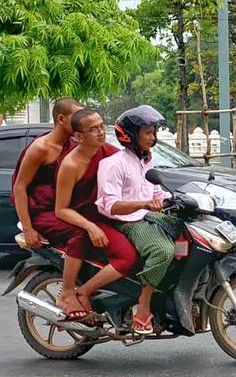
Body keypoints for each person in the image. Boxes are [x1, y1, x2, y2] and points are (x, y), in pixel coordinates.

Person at [95, 105, 183, 335]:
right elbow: (111, 205)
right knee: (163, 251)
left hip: (147, 216)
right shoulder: (114, 164)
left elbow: (156, 194)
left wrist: (178, 198)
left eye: (154, 132)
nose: (153, 138)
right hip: (127, 222)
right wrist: (143, 204)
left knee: (187, 236)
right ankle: (143, 306)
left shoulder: (145, 161)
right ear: (132, 136)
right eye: (148, 133)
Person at [53, 108, 139, 326]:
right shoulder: (70, 165)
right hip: (86, 218)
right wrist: (90, 227)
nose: (101, 132)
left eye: (102, 126)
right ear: (78, 136)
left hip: (112, 215)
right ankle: (78, 291)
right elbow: (61, 209)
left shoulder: (109, 152)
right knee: (126, 256)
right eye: (93, 129)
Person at [11, 97, 85, 313]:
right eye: (77, 117)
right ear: (61, 119)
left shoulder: (74, 145)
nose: (81, 121)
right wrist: (28, 228)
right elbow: (20, 188)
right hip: (43, 212)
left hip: (66, 208)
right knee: (82, 232)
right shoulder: (41, 148)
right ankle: (68, 293)